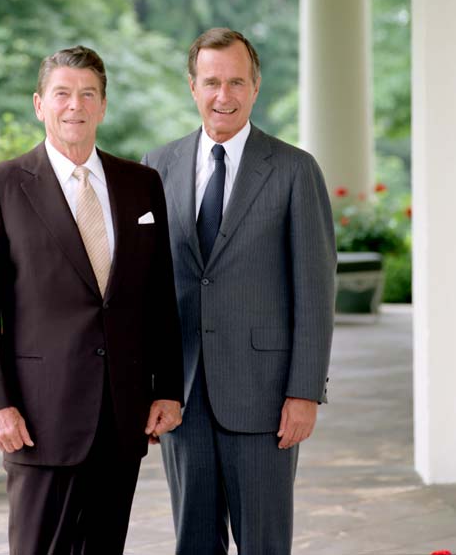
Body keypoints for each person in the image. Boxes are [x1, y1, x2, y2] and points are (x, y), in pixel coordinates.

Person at [0, 45, 183, 555]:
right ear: (40, 104)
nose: (74, 106)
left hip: (122, 414)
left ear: (104, 106)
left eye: (87, 94)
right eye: (62, 93)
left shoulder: (141, 184)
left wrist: (168, 388)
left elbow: (160, 297)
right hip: (39, 418)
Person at [142, 27, 336, 555]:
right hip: (181, 395)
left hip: (265, 396)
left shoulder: (295, 170)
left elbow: (316, 292)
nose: (222, 96)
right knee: (194, 542)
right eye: (211, 82)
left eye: (235, 82)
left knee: (265, 544)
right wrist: (148, 385)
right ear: (192, 87)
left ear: (255, 88)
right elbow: (145, 287)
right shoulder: (156, 167)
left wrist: (304, 392)